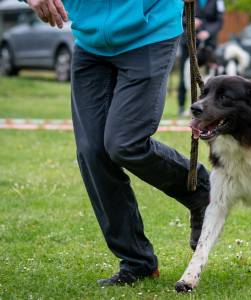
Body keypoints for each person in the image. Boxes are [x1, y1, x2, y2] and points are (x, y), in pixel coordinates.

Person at [21, 0, 211, 286]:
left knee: (124, 143)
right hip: (90, 40)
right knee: (92, 152)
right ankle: (137, 261)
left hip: (150, 31)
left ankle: (197, 188)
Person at [177, 0, 224, 117]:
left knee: (211, 76)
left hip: (208, 44)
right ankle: (182, 106)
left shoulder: (217, 1)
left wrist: (208, 32)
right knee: (184, 75)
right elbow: (177, 16)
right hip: (188, 41)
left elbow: (219, 21)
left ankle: (209, 105)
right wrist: (190, 21)